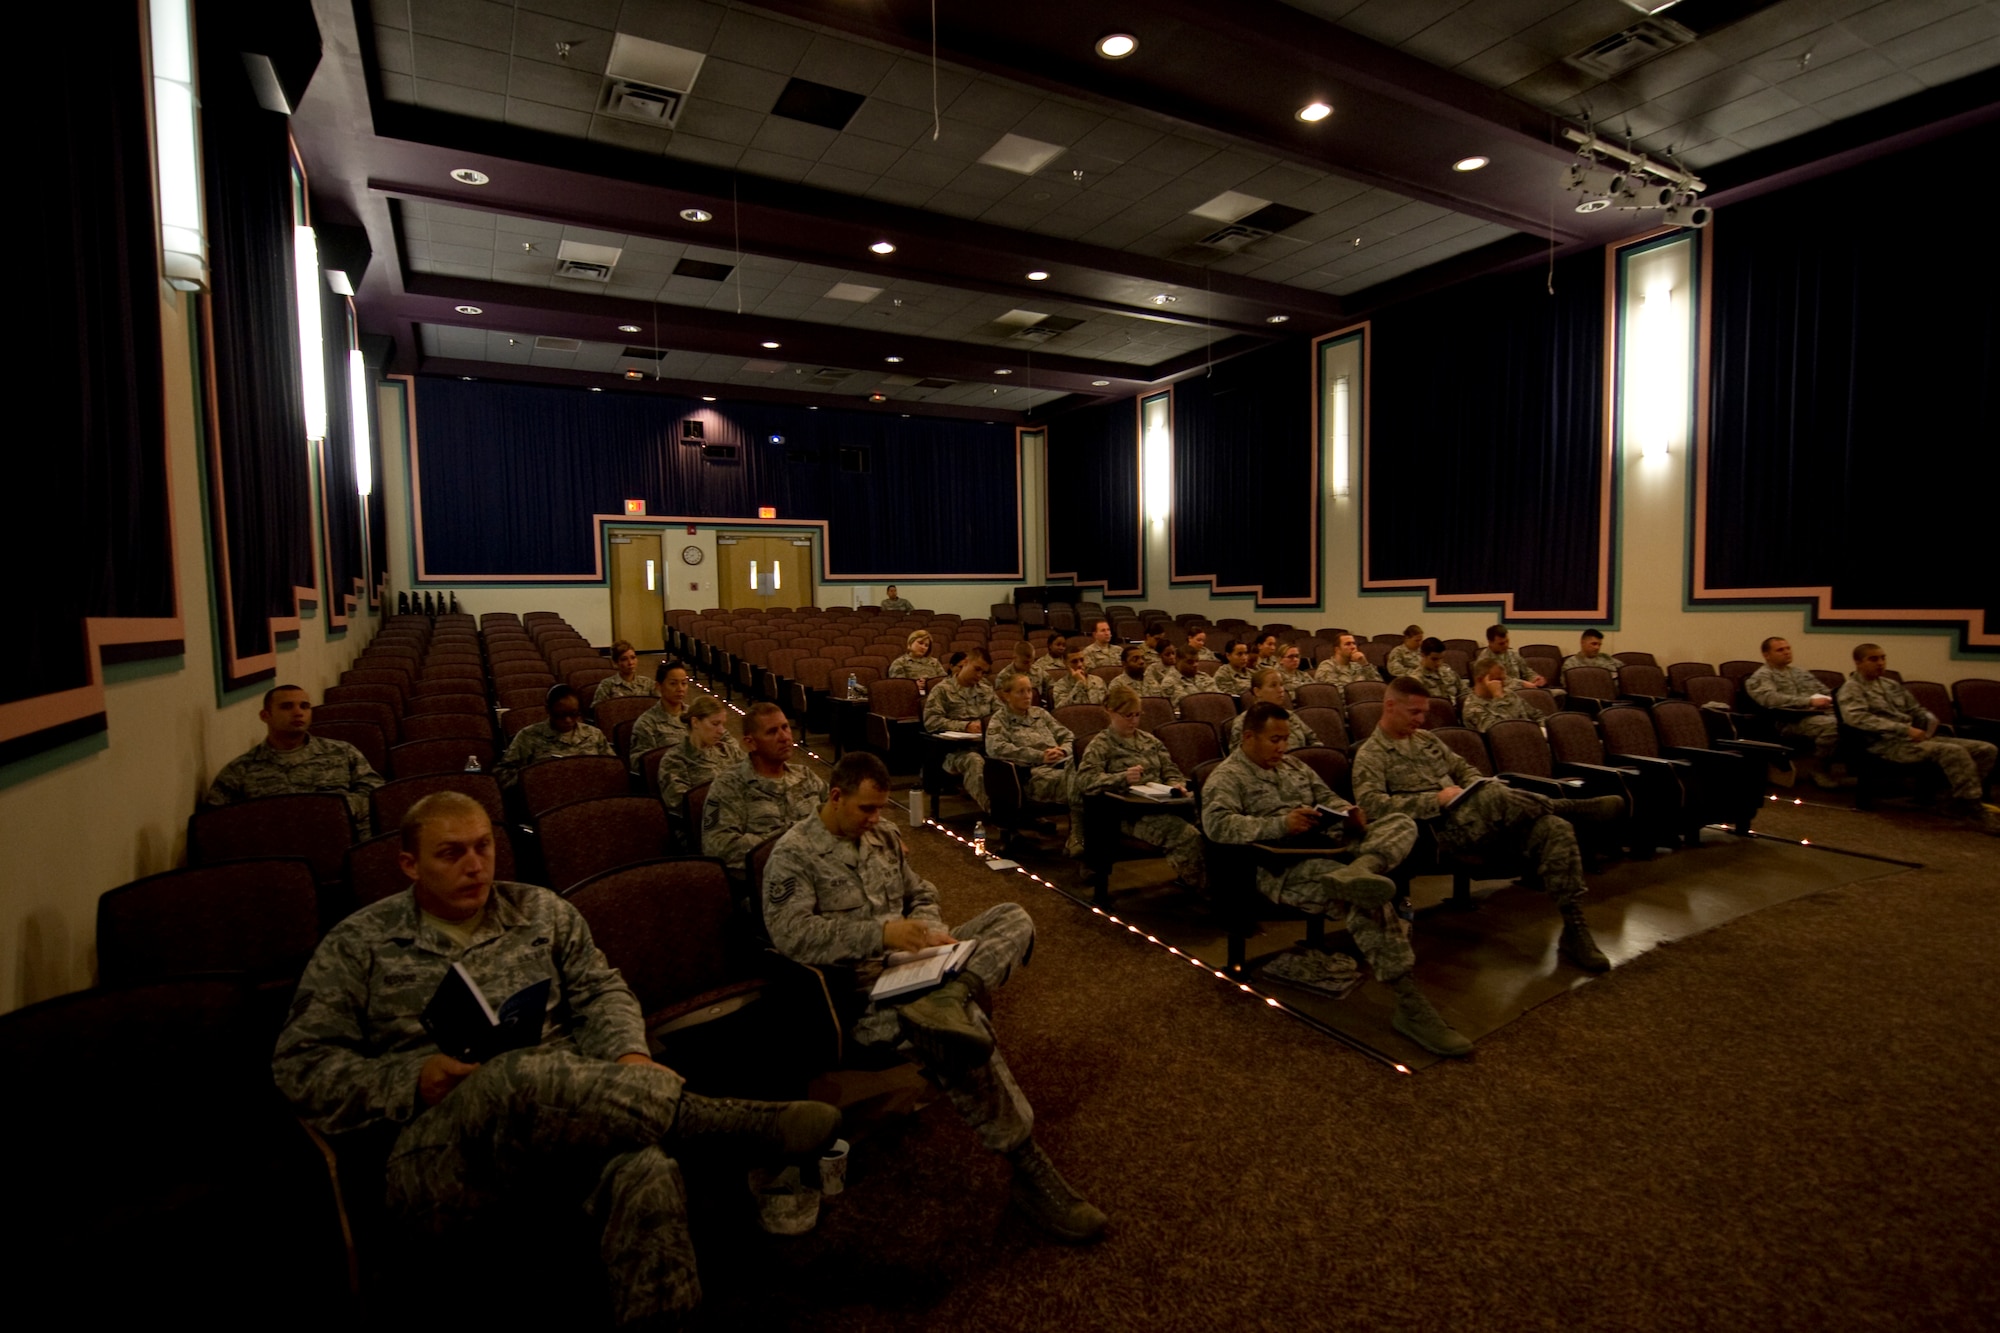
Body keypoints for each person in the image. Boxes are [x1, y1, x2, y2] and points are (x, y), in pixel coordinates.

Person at [274, 791, 841, 1328]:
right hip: (441, 1154)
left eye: (483, 847)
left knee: (646, 1169)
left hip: (572, 1125)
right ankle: (719, 1121)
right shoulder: (359, 944)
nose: (475, 865)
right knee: (512, 1072)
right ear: (409, 865)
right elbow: (301, 1067)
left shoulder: (540, 912)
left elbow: (602, 991)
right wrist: (412, 1079)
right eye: (451, 853)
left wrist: (628, 1054)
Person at [761, 752, 1106, 1242]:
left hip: (917, 963)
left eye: (881, 809)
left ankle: (953, 989)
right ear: (835, 797)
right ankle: (1029, 1169)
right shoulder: (793, 855)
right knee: (958, 1037)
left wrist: (932, 932)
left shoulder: (880, 837)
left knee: (1013, 915)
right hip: (860, 994)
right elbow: (793, 936)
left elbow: (920, 890)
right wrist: (882, 935)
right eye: (866, 809)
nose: (876, 819)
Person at [1201, 703, 1467, 1051]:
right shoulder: (1227, 777)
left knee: (1402, 823)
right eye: (1274, 740)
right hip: (1281, 866)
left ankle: (1362, 869)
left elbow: (1327, 797)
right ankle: (1411, 1006)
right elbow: (1217, 826)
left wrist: (1347, 813)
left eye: (1286, 739)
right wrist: (1280, 824)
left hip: (1332, 848)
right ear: (1248, 737)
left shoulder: (1293, 765)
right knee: (1366, 897)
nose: (1282, 747)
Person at [1352, 678, 1619, 1023]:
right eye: (1414, 711)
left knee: (1553, 828)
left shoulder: (1428, 741)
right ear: (1389, 706)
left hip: (1478, 819)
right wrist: (1434, 799)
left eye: (1425, 712)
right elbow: (1372, 806)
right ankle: (1567, 805)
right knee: (1498, 797)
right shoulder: (1370, 754)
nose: (1421, 719)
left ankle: (1574, 927)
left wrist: (1472, 788)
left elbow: (1466, 770)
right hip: (1437, 832)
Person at [1838, 644, 2000, 833]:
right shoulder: (1851, 689)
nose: (1881, 663)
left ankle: (1955, 800)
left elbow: (1915, 709)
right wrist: (1904, 729)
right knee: (1953, 751)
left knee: (1986, 749)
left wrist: (1928, 719)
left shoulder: (1890, 685)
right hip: (1887, 744)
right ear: (1858, 662)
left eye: (1883, 658)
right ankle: (1972, 808)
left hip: (1915, 738)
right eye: (1873, 659)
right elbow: (1858, 719)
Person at [204, 683, 384, 834]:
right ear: (265, 716)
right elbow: (217, 822)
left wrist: (337, 809)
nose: (298, 713)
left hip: (343, 839)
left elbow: (375, 792)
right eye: (286, 706)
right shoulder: (241, 770)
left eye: (304, 706)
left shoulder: (342, 752)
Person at [1075, 686, 1205, 888]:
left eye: (1137, 715)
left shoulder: (1150, 741)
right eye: (1128, 715)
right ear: (1110, 711)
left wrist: (1174, 785)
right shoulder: (1101, 745)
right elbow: (1085, 781)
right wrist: (1122, 778)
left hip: (1162, 804)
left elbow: (1170, 770)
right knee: (1184, 835)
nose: (1134, 721)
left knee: (1210, 823)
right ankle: (1204, 886)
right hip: (1127, 813)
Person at [701, 703, 829, 877]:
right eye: (772, 732)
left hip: (821, 873)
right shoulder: (729, 786)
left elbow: (838, 814)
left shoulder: (805, 776)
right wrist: (791, 845)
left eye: (785, 727)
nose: (784, 737)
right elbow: (719, 846)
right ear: (751, 743)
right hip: (767, 882)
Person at [986, 673, 1077, 849]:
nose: (1028, 696)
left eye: (1029, 690)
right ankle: (1081, 838)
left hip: (1061, 764)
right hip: (1029, 775)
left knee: (1087, 778)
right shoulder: (1000, 720)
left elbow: (1069, 736)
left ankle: (1083, 836)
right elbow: (996, 749)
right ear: (1006, 695)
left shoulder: (1040, 714)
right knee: (1081, 784)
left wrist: (1062, 750)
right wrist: (1040, 756)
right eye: (1020, 692)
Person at [1744, 637, 1840, 783]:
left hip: (1815, 713)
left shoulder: (1799, 672)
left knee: (1852, 721)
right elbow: (1770, 699)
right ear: (1766, 655)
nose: (1787, 652)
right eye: (1780, 650)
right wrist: (1808, 701)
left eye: (1788, 648)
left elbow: (1824, 691)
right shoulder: (1761, 676)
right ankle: (1819, 769)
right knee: (1832, 727)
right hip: (1788, 721)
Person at [493, 684, 615, 789]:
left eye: (573, 714)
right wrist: (535, 776)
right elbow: (502, 774)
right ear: (548, 710)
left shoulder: (594, 734)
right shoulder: (529, 736)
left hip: (589, 793)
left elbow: (613, 768)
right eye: (560, 715)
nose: (568, 720)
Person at [923, 649, 998, 808]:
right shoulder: (942, 690)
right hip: (953, 752)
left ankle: (1023, 808)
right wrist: (965, 726)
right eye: (976, 669)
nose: (979, 676)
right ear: (965, 663)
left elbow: (1001, 716)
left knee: (1013, 758)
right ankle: (997, 812)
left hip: (985, 746)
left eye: (983, 672)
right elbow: (931, 721)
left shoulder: (985, 689)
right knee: (973, 761)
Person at [657, 695, 738, 819]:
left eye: (722, 724)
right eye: (715, 724)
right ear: (695, 722)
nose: (722, 731)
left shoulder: (727, 750)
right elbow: (686, 807)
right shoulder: (675, 760)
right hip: (709, 827)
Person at [627, 659, 695, 775]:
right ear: (659, 686)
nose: (680, 689)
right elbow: (640, 763)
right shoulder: (647, 723)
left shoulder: (695, 715)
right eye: (673, 683)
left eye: (684, 683)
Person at [1226, 669, 1321, 752]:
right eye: (1273, 685)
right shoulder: (1245, 722)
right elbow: (1240, 757)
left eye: (1281, 685)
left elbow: (1314, 741)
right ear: (1257, 691)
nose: (1281, 690)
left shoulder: (1290, 716)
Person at [1461, 656, 1544, 733]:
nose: (1503, 684)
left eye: (1503, 679)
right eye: (1498, 680)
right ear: (1480, 680)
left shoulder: (1509, 694)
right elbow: (1502, 731)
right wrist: (1498, 697)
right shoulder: (1472, 708)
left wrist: (1543, 728)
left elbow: (1536, 715)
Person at [592, 640, 655, 707]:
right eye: (624, 659)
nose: (630, 663)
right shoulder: (607, 685)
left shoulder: (647, 682)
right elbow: (597, 710)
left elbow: (660, 706)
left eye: (633, 658)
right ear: (616, 663)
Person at [1483, 625, 1546, 690]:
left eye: (1507, 641)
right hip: (1501, 693)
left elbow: (1526, 671)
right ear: (1490, 642)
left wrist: (1535, 678)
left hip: (1521, 690)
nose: (1506, 645)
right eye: (1501, 643)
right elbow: (1499, 681)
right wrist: (1522, 684)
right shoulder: (1484, 660)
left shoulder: (1513, 654)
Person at [1409, 637, 1467, 705]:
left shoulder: (1447, 671)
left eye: (1441, 658)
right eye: (1434, 659)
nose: (1439, 663)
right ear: (1423, 655)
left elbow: (1464, 691)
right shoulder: (1416, 680)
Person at [1314, 633, 1381, 690]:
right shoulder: (1327, 666)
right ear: (1337, 649)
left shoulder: (1358, 665)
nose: (1353, 647)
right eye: (1348, 644)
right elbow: (1334, 692)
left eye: (1354, 643)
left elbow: (1378, 686)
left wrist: (1365, 664)